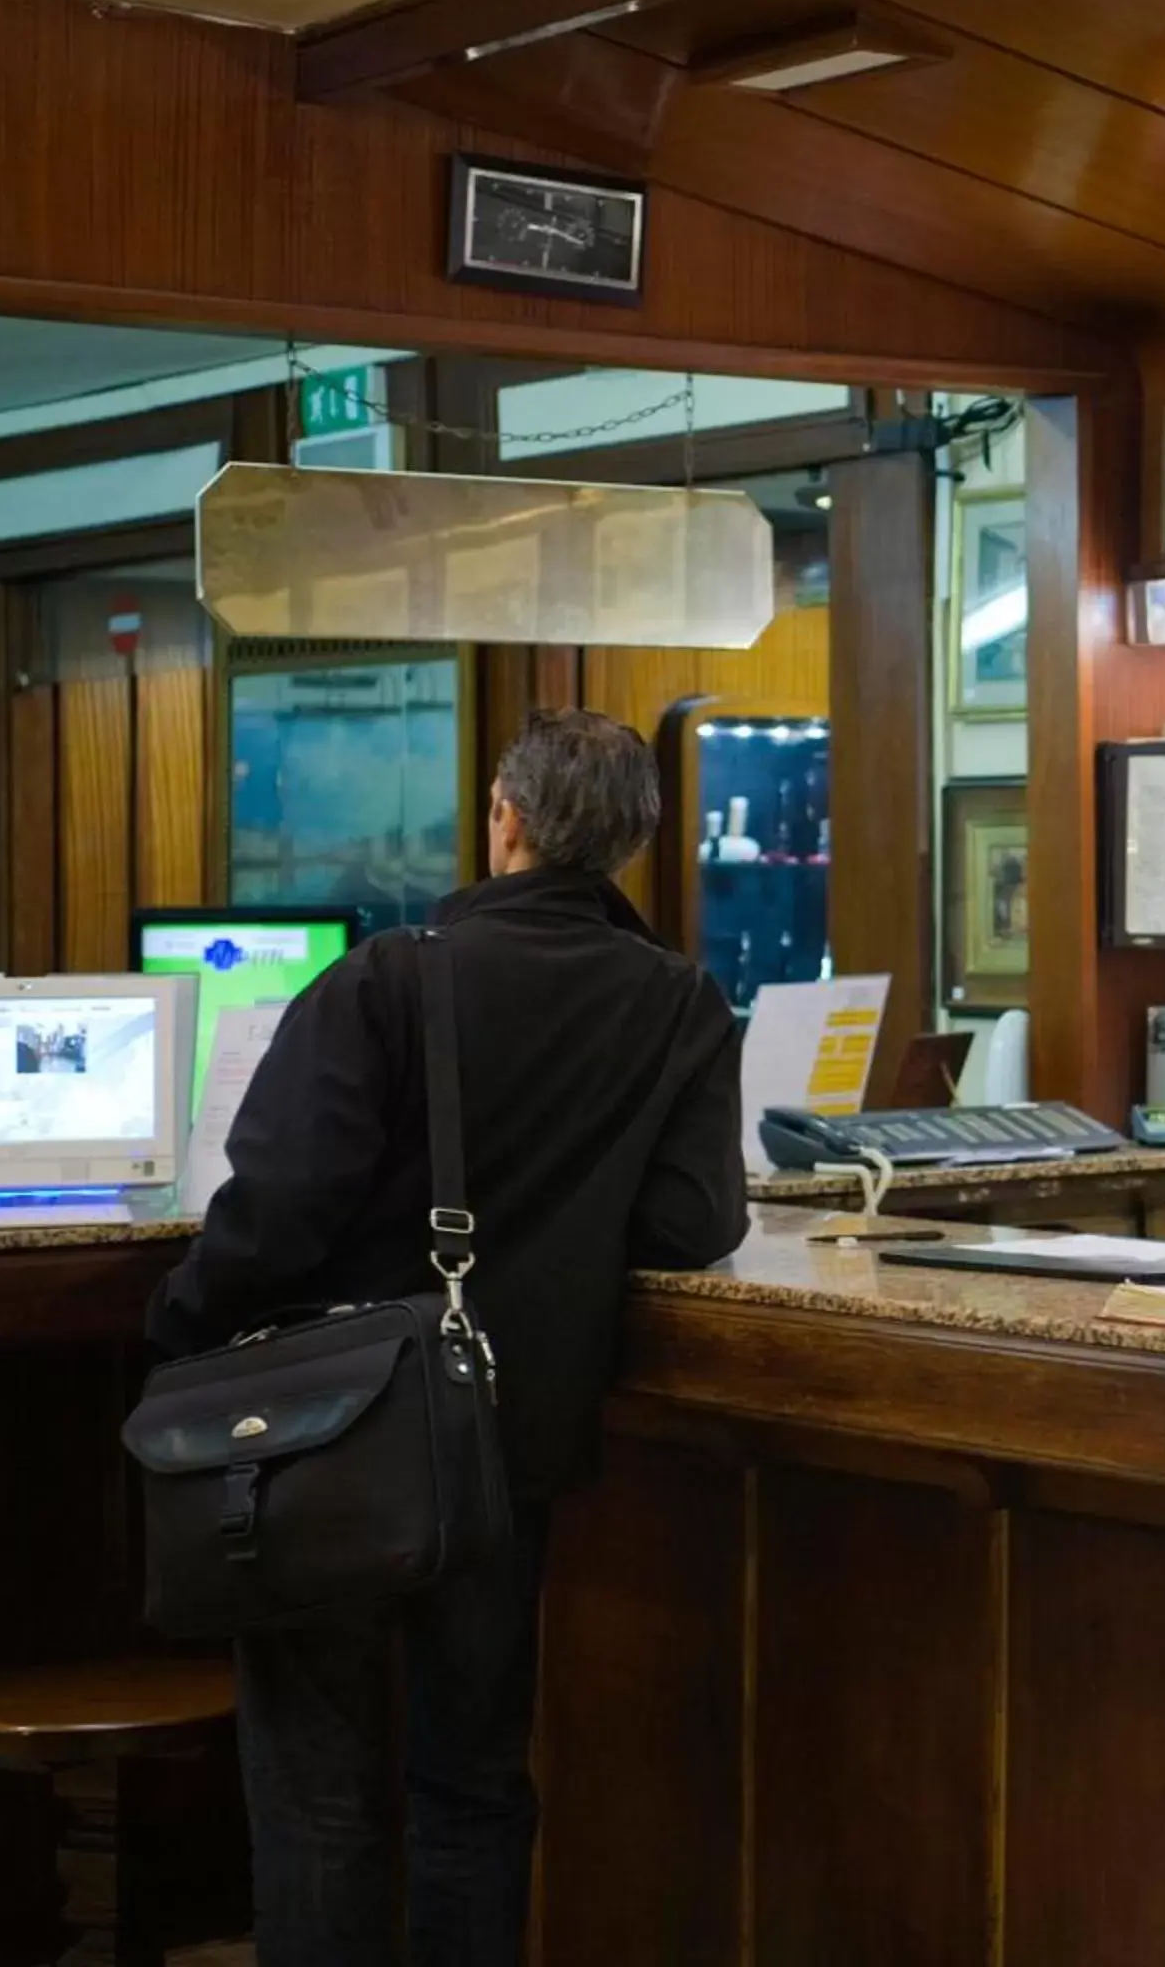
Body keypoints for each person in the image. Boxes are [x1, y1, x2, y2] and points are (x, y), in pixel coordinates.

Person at [150, 707, 747, 1967]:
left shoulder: (390, 975)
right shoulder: (679, 999)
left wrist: (171, 1333)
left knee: (322, 1798)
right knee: (473, 1786)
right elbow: (693, 1223)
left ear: (505, 818)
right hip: (504, 1446)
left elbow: (271, 1215)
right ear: (631, 844)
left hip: (325, 1444)